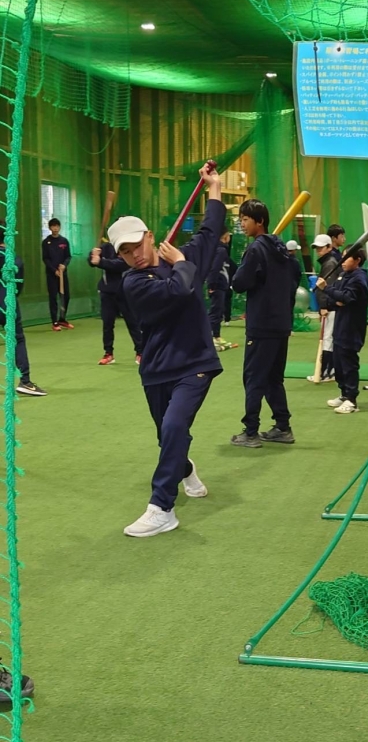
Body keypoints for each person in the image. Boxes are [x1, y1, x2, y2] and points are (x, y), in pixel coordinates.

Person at [107, 163, 225, 538]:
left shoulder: (181, 255)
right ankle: (185, 468)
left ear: (150, 237)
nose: (135, 255)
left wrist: (214, 186)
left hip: (195, 364)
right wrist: (184, 263)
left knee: (175, 427)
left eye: (137, 245)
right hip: (157, 369)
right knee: (168, 437)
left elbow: (210, 228)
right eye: (126, 252)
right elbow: (179, 290)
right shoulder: (134, 283)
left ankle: (161, 508)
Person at [230, 198, 301, 448]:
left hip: (261, 325)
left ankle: (250, 432)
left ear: (259, 221)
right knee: (273, 378)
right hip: (281, 325)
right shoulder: (282, 251)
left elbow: (239, 283)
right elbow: (295, 279)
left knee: (254, 378)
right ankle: (283, 427)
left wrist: (241, 267)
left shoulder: (256, 250)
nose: (242, 223)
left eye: (245, 219)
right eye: (241, 219)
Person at [316, 247, 368, 414]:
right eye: (343, 257)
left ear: (357, 260)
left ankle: (352, 400)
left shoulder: (359, 278)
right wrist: (334, 299)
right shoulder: (343, 275)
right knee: (338, 363)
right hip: (340, 325)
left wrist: (327, 289)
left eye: (347, 258)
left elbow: (346, 298)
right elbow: (336, 299)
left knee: (348, 364)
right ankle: (344, 394)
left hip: (352, 328)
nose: (343, 261)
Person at [0, 221, 47, 396]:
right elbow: (18, 285)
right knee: (17, 339)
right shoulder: (13, 258)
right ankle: (25, 382)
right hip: (7, 304)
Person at [88, 242, 143, 365]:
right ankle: (108, 354)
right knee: (107, 324)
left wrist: (100, 261)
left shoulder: (127, 246)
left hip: (125, 292)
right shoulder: (106, 247)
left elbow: (121, 264)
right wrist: (92, 255)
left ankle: (140, 352)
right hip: (107, 293)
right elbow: (92, 261)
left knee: (133, 323)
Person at [308, 233, 339, 383]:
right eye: (317, 248)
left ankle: (327, 372)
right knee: (329, 338)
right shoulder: (328, 262)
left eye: (321, 247)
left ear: (329, 247)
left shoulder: (330, 263)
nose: (318, 250)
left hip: (330, 308)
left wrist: (324, 306)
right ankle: (328, 371)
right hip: (330, 307)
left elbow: (326, 287)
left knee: (328, 339)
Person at [42, 218, 73, 331]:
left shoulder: (64, 241)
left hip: (63, 274)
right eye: (53, 226)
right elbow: (45, 258)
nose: (55, 228)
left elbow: (68, 256)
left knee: (66, 296)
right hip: (52, 275)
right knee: (53, 297)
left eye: (57, 226)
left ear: (59, 227)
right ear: (50, 228)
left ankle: (62, 319)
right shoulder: (46, 242)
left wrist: (64, 266)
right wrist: (54, 270)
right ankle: (55, 322)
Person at [206, 229, 234, 350]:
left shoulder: (220, 250)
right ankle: (212, 337)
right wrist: (212, 285)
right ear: (225, 237)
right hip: (218, 286)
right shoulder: (220, 250)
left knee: (218, 311)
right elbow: (215, 267)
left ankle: (216, 336)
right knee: (215, 312)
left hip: (220, 286)